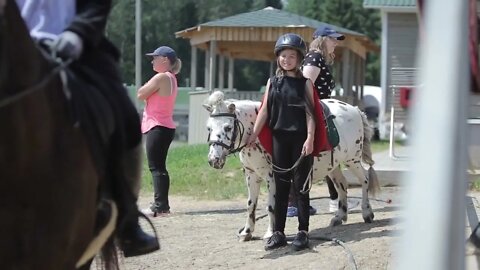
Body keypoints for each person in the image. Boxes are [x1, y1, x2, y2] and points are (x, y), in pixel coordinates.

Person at [14, 0, 160, 257]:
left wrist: (78, 32)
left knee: (123, 111)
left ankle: (126, 217)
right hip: (10, 49)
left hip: (72, 49)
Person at [247, 33, 316, 251]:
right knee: (281, 186)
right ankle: (278, 232)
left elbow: (311, 114)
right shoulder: (272, 82)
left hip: (299, 140)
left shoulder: (305, 84)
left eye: (291, 56)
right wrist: (253, 135)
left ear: (299, 58)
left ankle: (303, 232)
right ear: (278, 57)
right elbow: (265, 111)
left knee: (301, 186)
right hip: (279, 138)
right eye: (283, 55)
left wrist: (310, 138)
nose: (287, 59)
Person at [301, 26, 359, 213]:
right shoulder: (314, 57)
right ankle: (299, 201)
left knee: (329, 153)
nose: (335, 43)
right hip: (314, 111)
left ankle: (335, 199)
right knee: (323, 151)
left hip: (321, 109)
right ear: (321, 39)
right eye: (332, 39)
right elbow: (306, 86)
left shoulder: (317, 58)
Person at [138, 46, 182, 217]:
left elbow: (141, 94)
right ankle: (162, 204)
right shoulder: (171, 77)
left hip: (157, 126)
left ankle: (160, 205)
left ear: (165, 59)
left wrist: (146, 90)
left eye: (155, 57)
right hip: (164, 126)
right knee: (160, 167)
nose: (152, 61)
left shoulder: (162, 77)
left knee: (155, 167)